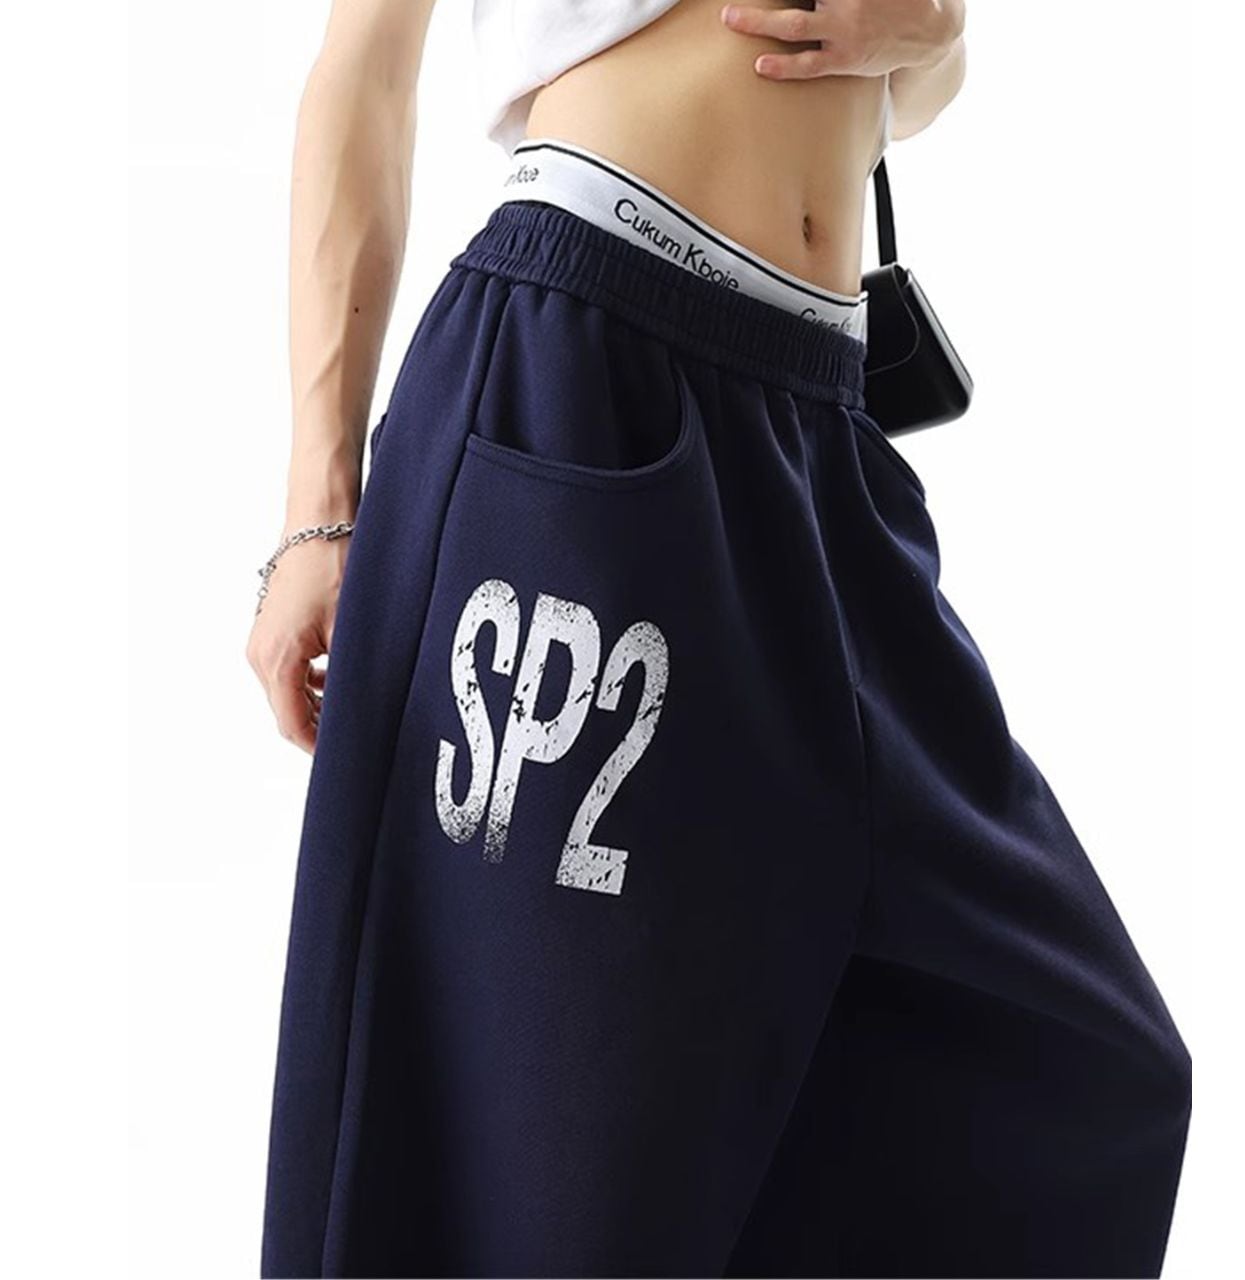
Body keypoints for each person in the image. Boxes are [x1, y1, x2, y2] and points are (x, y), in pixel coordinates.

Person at [247, 3, 1191, 1276]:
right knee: (559, 1149)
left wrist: (926, 35)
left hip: (821, 431)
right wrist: (317, 510)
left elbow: (891, 86)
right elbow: (362, 70)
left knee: (1076, 1063)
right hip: (590, 370)